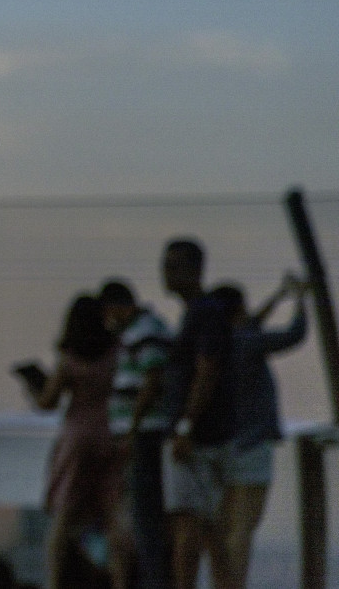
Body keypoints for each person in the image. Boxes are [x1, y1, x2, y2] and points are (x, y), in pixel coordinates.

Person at [211, 277, 308, 589]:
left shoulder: (216, 344)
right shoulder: (248, 342)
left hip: (221, 445)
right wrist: (300, 300)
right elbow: (295, 334)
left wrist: (278, 296)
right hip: (251, 445)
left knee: (225, 525)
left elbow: (252, 323)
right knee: (243, 527)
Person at [19, 294, 120, 589]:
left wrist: (31, 386)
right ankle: (119, 579)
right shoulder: (115, 352)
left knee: (63, 517)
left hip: (76, 436)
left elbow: (48, 402)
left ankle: (54, 582)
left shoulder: (69, 359)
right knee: (112, 514)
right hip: (110, 433)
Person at [157, 237, 233, 589]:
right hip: (200, 435)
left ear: (195, 270)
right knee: (207, 526)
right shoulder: (200, 313)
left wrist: (186, 426)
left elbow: (207, 369)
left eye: (173, 266)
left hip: (196, 438)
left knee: (189, 523)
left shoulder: (204, 313)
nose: (165, 273)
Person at [98, 280, 170, 589]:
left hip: (145, 435)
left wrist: (131, 429)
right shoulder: (141, 332)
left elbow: (151, 382)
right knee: (143, 514)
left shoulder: (144, 332)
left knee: (146, 516)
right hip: (144, 433)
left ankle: (154, 580)